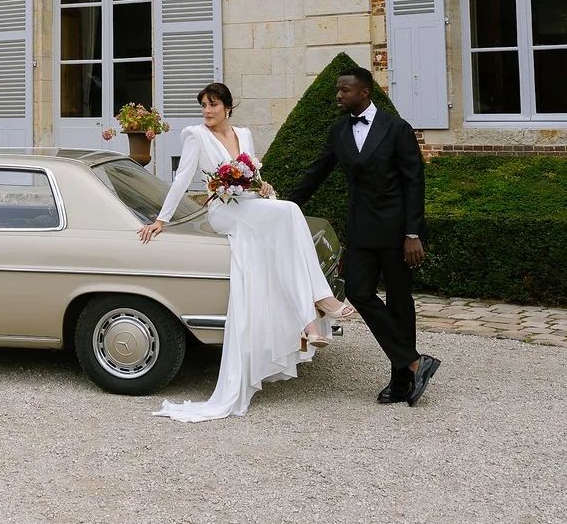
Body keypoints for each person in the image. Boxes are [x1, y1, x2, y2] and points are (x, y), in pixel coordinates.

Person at [139, 82, 355, 422]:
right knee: (289, 213)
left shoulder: (244, 133)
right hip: (223, 210)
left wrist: (262, 185)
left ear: (227, 107)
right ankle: (319, 303)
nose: (207, 112)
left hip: (250, 203)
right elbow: (182, 179)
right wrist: (161, 220)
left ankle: (310, 324)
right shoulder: (195, 135)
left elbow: (253, 175)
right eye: (203, 106)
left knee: (287, 219)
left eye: (212, 105)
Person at [288, 66, 440, 407]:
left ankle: (401, 380)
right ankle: (415, 361)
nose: (338, 95)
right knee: (357, 291)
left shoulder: (396, 128)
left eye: (345, 90)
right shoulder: (339, 131)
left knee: (400, 302)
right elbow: (317, 172)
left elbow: (414, 181)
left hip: (398, 231)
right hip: (361, 229)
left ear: (364, 92)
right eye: (338, 90)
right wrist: (282, 205)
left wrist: (413, 233)